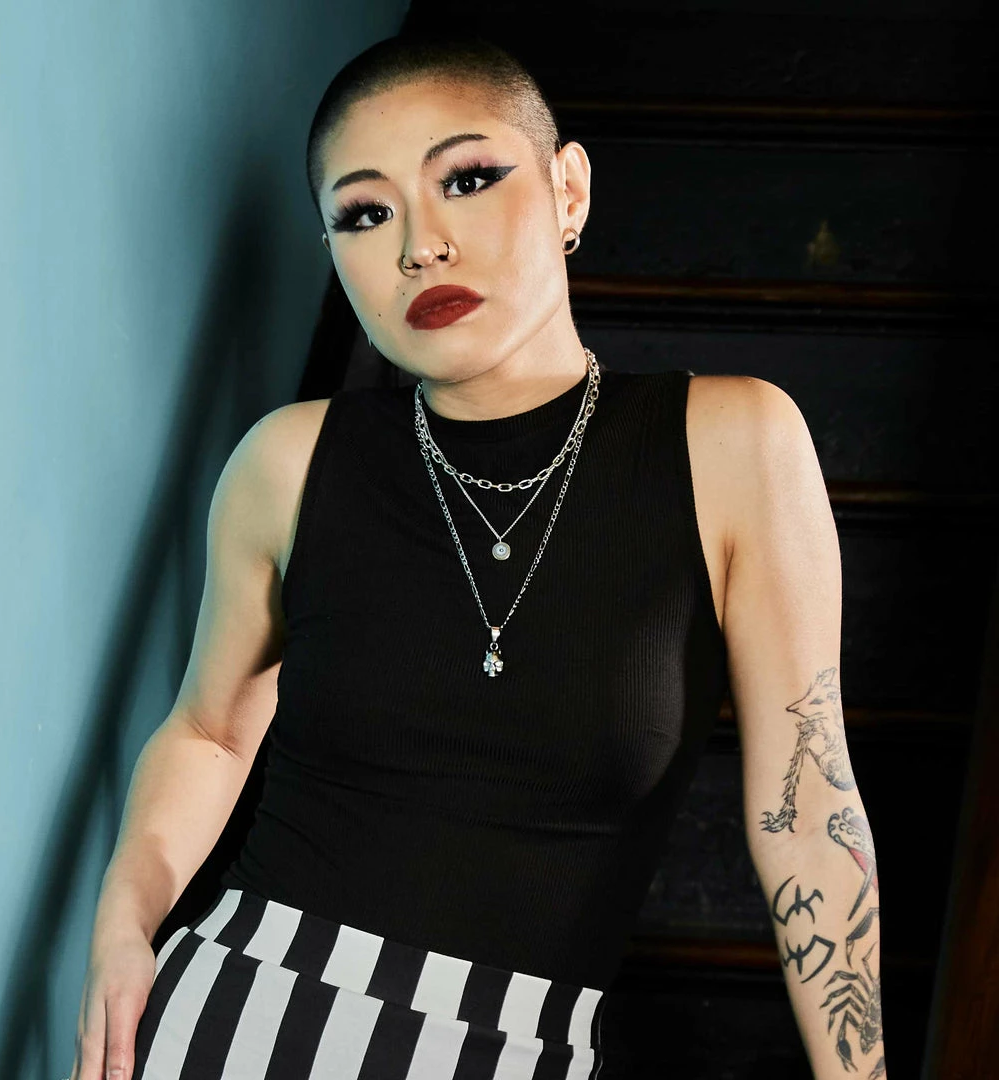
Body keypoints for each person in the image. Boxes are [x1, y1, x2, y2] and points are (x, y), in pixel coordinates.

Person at [69, 31, 886, 1080]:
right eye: (366, 213)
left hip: (524, 1046)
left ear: (568, 190)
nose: (422, 245)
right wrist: (123, 926)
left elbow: (810, 810)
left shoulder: (735, 446)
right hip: (238, 1018)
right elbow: (211, 733)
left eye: (466, 179)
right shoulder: (288, 463)